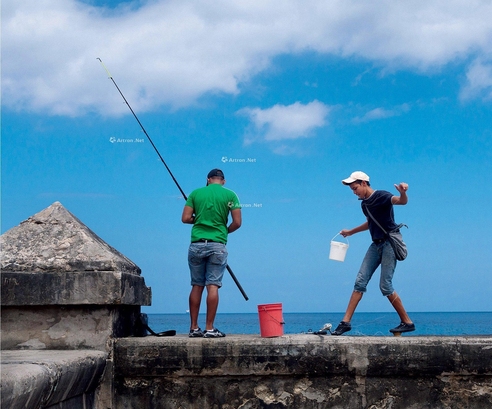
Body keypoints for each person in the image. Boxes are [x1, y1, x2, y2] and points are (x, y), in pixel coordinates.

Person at [332, 171, 415, 336]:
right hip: (375, 244)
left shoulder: (382, 196)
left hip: (389, 243)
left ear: (364, 183)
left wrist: (403, 192)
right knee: (359, 282)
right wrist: (351, 232)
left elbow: (401, 201)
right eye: (352, 190)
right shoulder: (364, 204)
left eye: (355, 188)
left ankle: (407, 322)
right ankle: (345, 322)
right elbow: (370, 222)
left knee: (385, 286)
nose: (354, 192)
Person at [181, 169, 242, 338]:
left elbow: (185, 218)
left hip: (196, 245)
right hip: (218, 245)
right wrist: (223, 231)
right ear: (223, 181)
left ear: (208, 180)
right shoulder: (230, 196)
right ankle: (209, 328)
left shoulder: (195, 193)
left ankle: (194, 328)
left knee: (196, 285)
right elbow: (237, 222)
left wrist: (199, 219)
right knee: (213, 286)